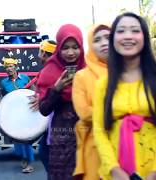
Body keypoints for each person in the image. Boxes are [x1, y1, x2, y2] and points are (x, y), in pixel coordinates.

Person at [93, 12, 156, 180]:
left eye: (135, 30)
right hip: (116, 171)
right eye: (121, 31)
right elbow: (99, 130)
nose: (128, 36)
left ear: (144, 37)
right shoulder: (103, 85)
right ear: (113, 39)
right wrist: (114, 169)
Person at [38, 24, 85, 180]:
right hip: (61, 141)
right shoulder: (50, 71)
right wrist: (56, 89)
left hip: (88, 137)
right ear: (59, 48)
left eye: (75, 47)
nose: (71, 52)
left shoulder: (89, 69)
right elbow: (43, 109)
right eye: (65, 48)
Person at [72, 24, 110, 180]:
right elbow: (84, 113)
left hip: (127, 142)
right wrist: (119, 113)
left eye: (108, 37)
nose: (104, 43)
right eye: (97, 40)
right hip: (94, 145)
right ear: (90, 45)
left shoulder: (128, 72)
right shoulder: (82, 77)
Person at [0, 58, 35, 173]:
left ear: (16, 67)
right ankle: (23, 157)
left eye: (10, 66)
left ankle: (29, 162)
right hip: (13, 114)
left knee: (26, 138)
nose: (8, 69)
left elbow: (33, 92)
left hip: (26, 113)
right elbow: (3, 98)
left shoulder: (25, 78)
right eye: (6, 67)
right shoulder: (4, 83)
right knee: (17, 138)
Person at [29, 39, 56, 172]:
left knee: (47, 154)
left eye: (40, 52)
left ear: (44, 53)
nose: (39, 55)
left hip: (56, 121)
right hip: (50, 120)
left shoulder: (51, 71)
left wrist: (41, 98)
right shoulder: (51, 69)